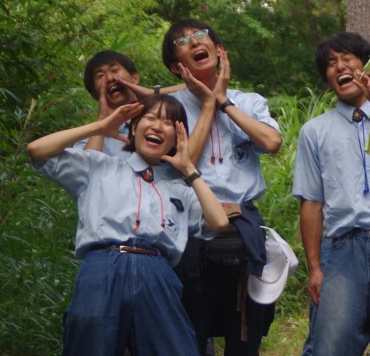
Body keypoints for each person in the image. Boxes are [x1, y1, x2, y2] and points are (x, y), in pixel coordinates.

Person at [27, 95, 229, 355]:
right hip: (102, 266)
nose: (157, 126)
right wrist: (99, 127)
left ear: (177, 138)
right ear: (134, 128)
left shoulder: (181, 189)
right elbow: (37, 150)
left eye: (168, 122)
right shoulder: (99, 166)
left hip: (157, 272)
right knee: (89, 346)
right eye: (151, 117)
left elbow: (219, 221)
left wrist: (189, 168)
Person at [161, 18, 283, 356]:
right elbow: (183, 164)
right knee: (191, 333)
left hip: (243, 226)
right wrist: (208, 106)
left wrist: (224, 102)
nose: (195, 41)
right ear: (176, 66)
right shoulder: (171, 110)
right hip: (190, 229)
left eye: (202, 36)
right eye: (183, 41)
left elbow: (272, 142)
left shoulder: (250, 101)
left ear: (219, 50)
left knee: (245, 333)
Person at [293, 32, 370, 356]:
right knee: (330, 348)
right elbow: (312, 202)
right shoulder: (314, 131)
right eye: (331, 64)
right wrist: (316, 268)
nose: (339, 67)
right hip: (342, 251)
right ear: (327, 80)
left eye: (347, 58)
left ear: (368, 65)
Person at [75, 50, 140, 156]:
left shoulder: (164, 116)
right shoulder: (88, 139)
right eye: (100, 76)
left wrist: (155, 92)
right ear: (95, 95)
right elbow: (87, 168)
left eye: (115, 70)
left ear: (135, 78)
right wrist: (101, 122)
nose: (109, 78)